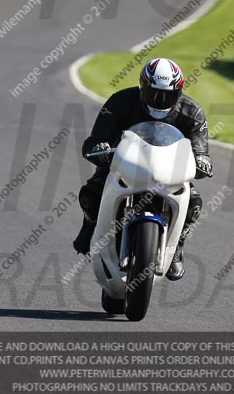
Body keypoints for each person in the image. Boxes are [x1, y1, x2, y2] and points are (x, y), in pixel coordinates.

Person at [73, 57, 213, 281]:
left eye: (167, 95)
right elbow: (93, 141)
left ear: (178, 92)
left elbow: (200, 150)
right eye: (154, 93)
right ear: (142, 86)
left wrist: (202, 161)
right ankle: (89, 227)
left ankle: (176, 247)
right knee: (91, 193)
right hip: (124, 166)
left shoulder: (192, 112)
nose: (159, 100)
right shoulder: (120, 102)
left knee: (194, 202)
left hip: (168, 172)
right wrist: (101, 148)